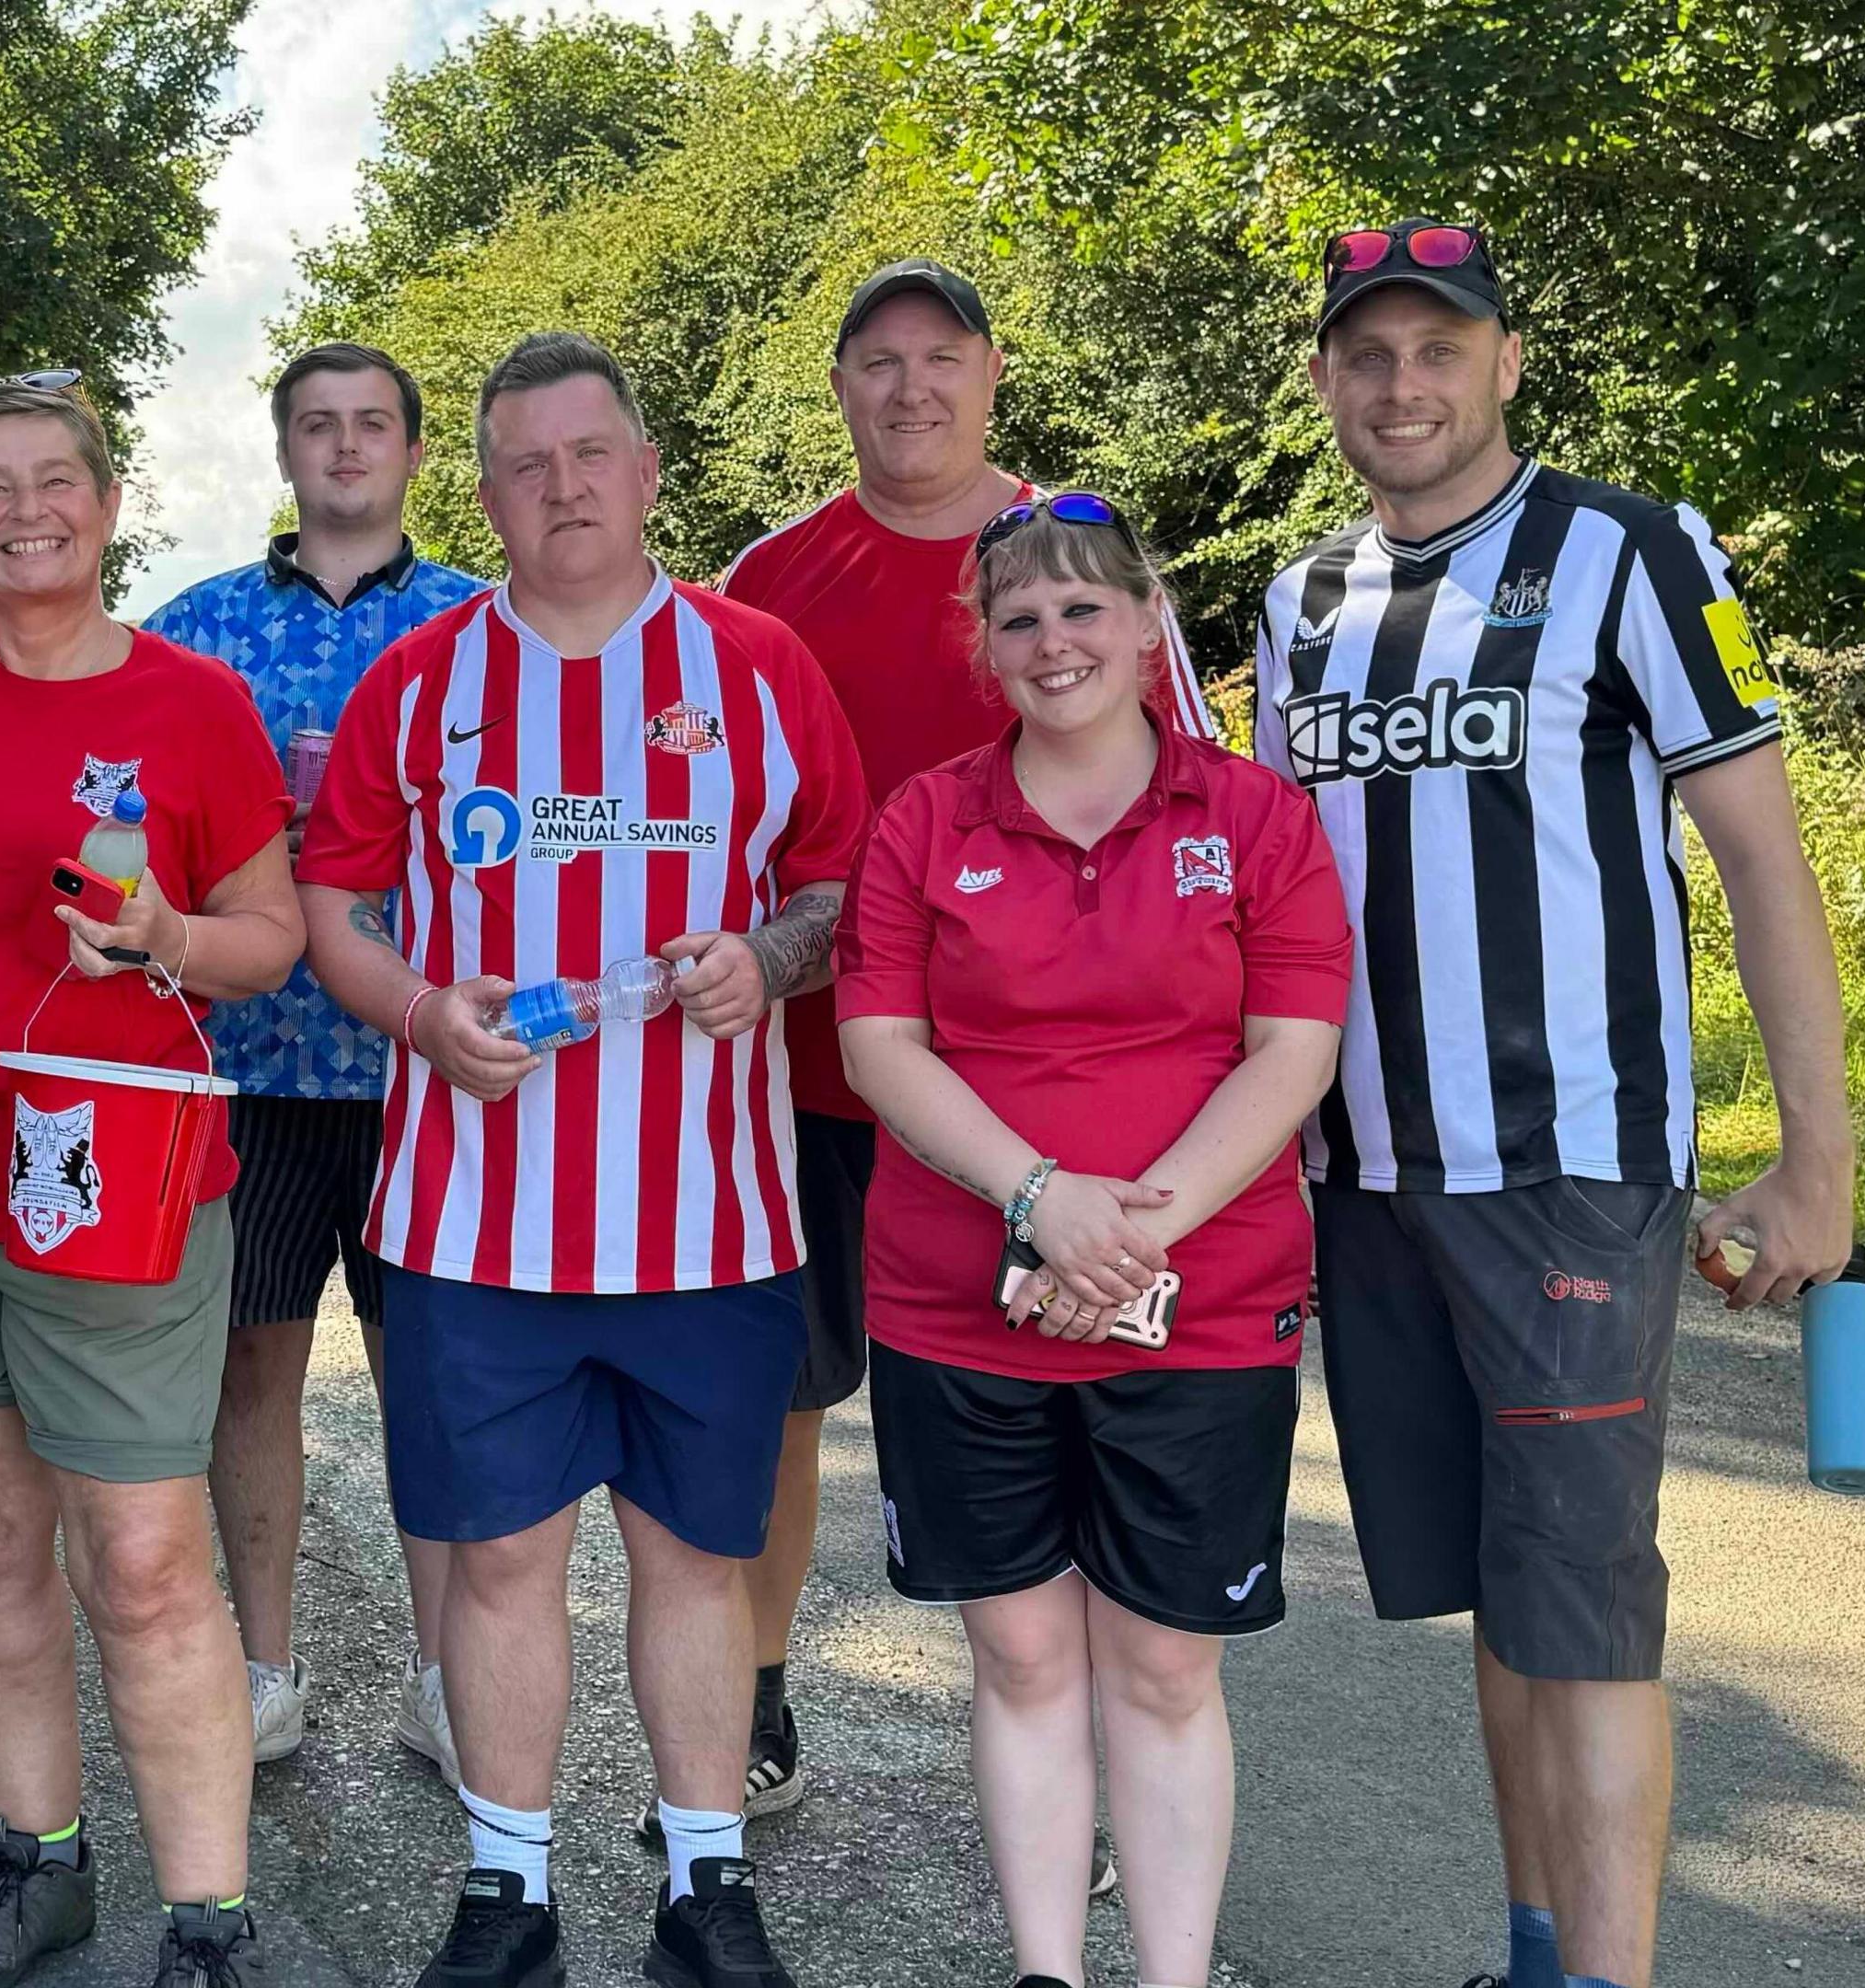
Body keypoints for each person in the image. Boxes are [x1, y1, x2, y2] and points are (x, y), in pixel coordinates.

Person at [1265, 222, 1854, 1988]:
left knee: (1588, 1608)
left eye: (1439, 348)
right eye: (1366, 355)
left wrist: (1816, 1157)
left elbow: (1763, 865)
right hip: (1369, 1176)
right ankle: (1538, 1955)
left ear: (1506, 362)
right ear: (1324, 382)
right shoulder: (1304, 603)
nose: (1403, 385)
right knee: (1502, 1597)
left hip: (1574, 1165)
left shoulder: (1633, 551)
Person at [298, 331, 867, 1988]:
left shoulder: (757, 663)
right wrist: (415, 1014)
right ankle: (507, 1889)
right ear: (483, 494)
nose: (563, 488)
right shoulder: (420, 684)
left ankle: (706, 1887)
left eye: (590, 454)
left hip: (713, 1216)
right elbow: (333, 905)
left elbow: (838, 891)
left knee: (698, 1553)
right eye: (527, 465)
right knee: (498, 1559)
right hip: (473, 1226)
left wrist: (768, 962)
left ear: (647, 472)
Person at [705, 260, 1212, 1839]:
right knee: (776, 1406)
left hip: (1057, 1100)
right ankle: (757, 1692)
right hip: (810, 1082)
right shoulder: (768, 578)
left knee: (1080, 1408)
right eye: (877, 363)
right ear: (839, 385)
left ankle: (1117, 1772)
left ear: (992, 373)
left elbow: (1186, 806)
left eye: (941, 358)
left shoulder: (1074, 557)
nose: (910, 388)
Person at [0, 375, 302, 1987]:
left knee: (147, 1560)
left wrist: (163, 934)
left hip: (118, 1185)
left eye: (56, 482)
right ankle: (40, 1867)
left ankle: (210, 1923)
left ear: (106, 505)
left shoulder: (194, 708)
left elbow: (273, 936)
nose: (26, 510)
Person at [835, 494, 1350, 1988]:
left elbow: (1292, 1049)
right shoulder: (927, 820)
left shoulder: (1254, 815)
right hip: (959, 1304)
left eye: (1082, 610)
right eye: (1019, 619)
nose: (1053, 642)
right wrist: (1038, 1199)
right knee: (1021, 1657)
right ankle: (1047, 1971)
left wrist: (1130, 1234)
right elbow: (881, 1043)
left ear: (1144, 626)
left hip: (1203, 1304)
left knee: (1165, 1666)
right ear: (985, 650)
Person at [140, 341, 485, 1777]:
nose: (347, 448)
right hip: (251, 1065)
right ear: (283, 452)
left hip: (436, 1065)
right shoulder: (193, 632)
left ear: (414, 451)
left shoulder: (491, 625)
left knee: (446, 1382)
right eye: (318, 427)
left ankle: (451, 1674)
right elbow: (127, 837)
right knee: (251, 1371)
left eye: (374, 425)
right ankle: (263, 1667)